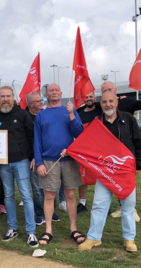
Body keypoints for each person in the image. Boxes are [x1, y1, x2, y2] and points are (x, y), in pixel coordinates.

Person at [77, 91, 141, 252]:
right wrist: (71, 149)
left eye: (111, 101)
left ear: (116, 103)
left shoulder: (128, 119)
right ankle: (93, 238)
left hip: (126, 171)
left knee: (128, 206)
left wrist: (139, 165)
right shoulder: (98, 123)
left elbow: (138, 141)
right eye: (104, 102)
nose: (108, 104)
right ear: (101, 105)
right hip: (105, 172)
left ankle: (129, 239)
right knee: (99, 205)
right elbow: (87, 143)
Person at [34, 84, 85, 246]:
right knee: (49, 196)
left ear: (61, 93)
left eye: (57, 90)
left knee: (70, 194)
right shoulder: (41, 115)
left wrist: (71, 114)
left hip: (69, 160)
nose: (54, 92)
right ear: (46, 95)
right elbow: (36, 140)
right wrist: (39, 162)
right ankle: (48, 229)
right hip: (49, 160)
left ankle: (73, 228)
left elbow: (79, 133)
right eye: (51, 91)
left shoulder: (69, 110)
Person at [0, 86, 38, 248]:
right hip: (4, 164)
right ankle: (12, 228)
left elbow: (32, 136)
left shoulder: (23, 114)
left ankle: (31, 231)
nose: (5, 99)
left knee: (26, 195)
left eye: (8, 96)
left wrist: (33, 157)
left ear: (13, 97)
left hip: (22, 162)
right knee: (8, 196)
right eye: (2, 96)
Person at [101, 81, 141, 221]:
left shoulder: (127, 105)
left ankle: (132, 209)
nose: (108, 103)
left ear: (116, 92)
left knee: (128, 186)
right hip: (108, 156)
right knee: (111, 185)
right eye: (104, 91)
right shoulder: (101, 107)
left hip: (125, 154)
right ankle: (119, 207)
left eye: (110, 90)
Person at [25, 92, 61, 225]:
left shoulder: (47, 114)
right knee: (37, 188)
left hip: (50, 157)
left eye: (42, 100)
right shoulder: (25, 117)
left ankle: (52, 212)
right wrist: (34, 157)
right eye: (39, 101)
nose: (42, 103)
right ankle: (40, 213)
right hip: (34, 159)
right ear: (31, 104)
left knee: (52, 186)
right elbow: (28, 140)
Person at [75, 91, 102, 214]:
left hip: (100, 149)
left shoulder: (100, 109)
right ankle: (82, 203)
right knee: (82, 177)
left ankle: (101, 204)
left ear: (95, 98)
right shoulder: (79, 112)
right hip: (84, 149)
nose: (89, 99)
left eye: (91, 96)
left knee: (101, 177)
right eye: (86, 97)